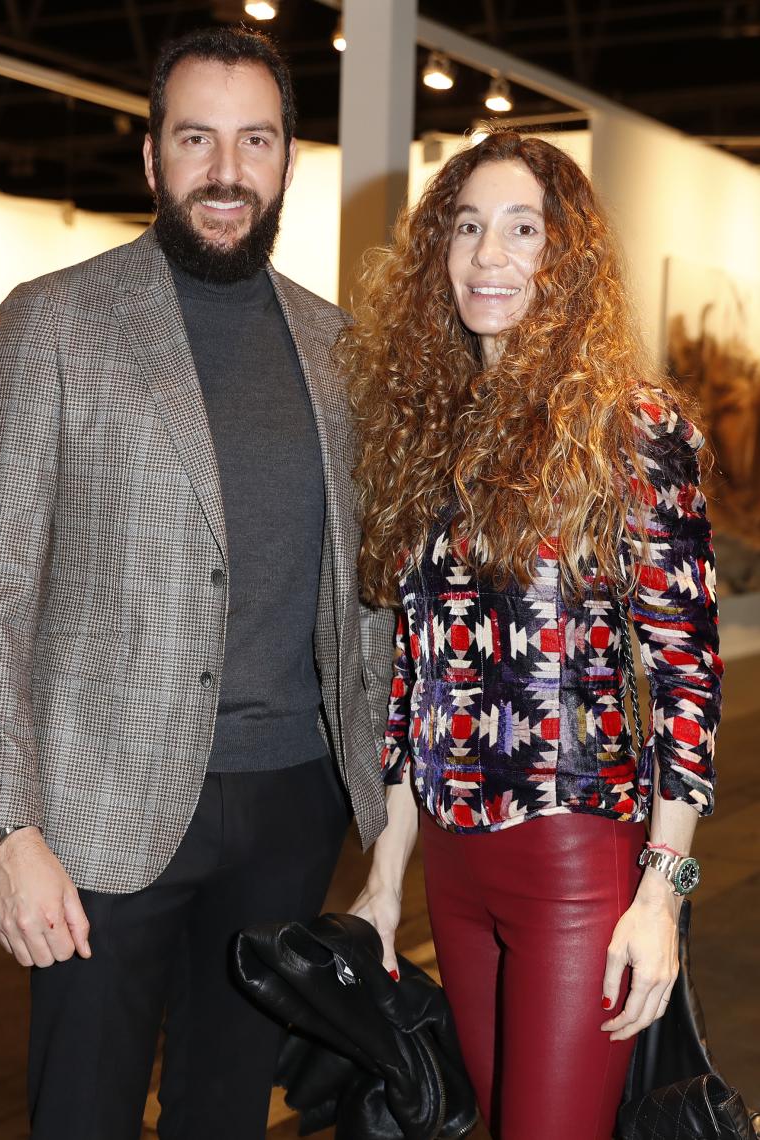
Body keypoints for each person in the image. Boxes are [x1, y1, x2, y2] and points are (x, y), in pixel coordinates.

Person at [0, 26, 394, 1140]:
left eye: (255, 140)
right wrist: (7, 834)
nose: (226, 171)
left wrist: (378, 802)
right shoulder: (54, 322)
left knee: (227, 1111)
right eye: (197, 139)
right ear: (152, 159)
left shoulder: (341, 348)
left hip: (293, 806)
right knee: (83, 1111)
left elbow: (366, 597)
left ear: (288, 160)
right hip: (99, 818)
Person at [343, 131, 721, 1140]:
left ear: (568, 258)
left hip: (575, 860)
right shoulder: (435, 428)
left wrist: (663, 898)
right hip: (455, 875)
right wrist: (385, 878)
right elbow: (415, 673)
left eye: (523, 229)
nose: (488, 255)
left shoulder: (632, 428)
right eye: (467, 228)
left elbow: (687, 677)